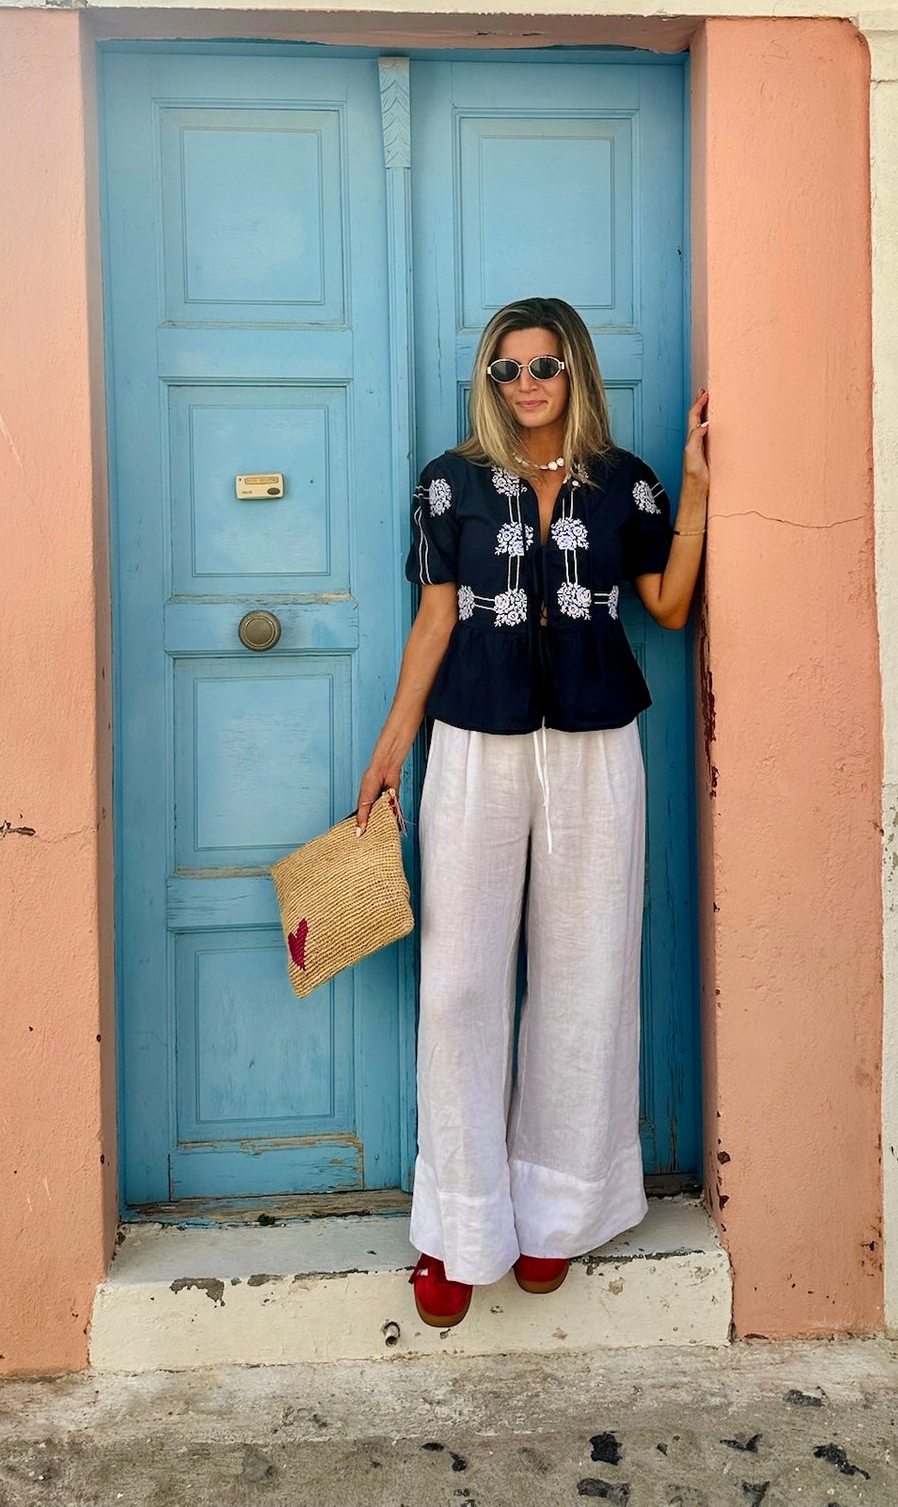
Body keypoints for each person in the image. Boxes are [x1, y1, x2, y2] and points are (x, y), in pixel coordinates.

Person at [356, 296, 709, 1329]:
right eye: (506, 367)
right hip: (473, 741)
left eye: (544, 364)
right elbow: (432, 620)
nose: (525, 383)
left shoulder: (626, 481)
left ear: (574, 370)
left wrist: (693, 486)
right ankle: (458, 1227)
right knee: (460, 980)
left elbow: (671, 604)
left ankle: (557, 1207)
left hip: (596, 747)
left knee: (585, 970)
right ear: (489, 378)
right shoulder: (448, 482)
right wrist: (389, 750)